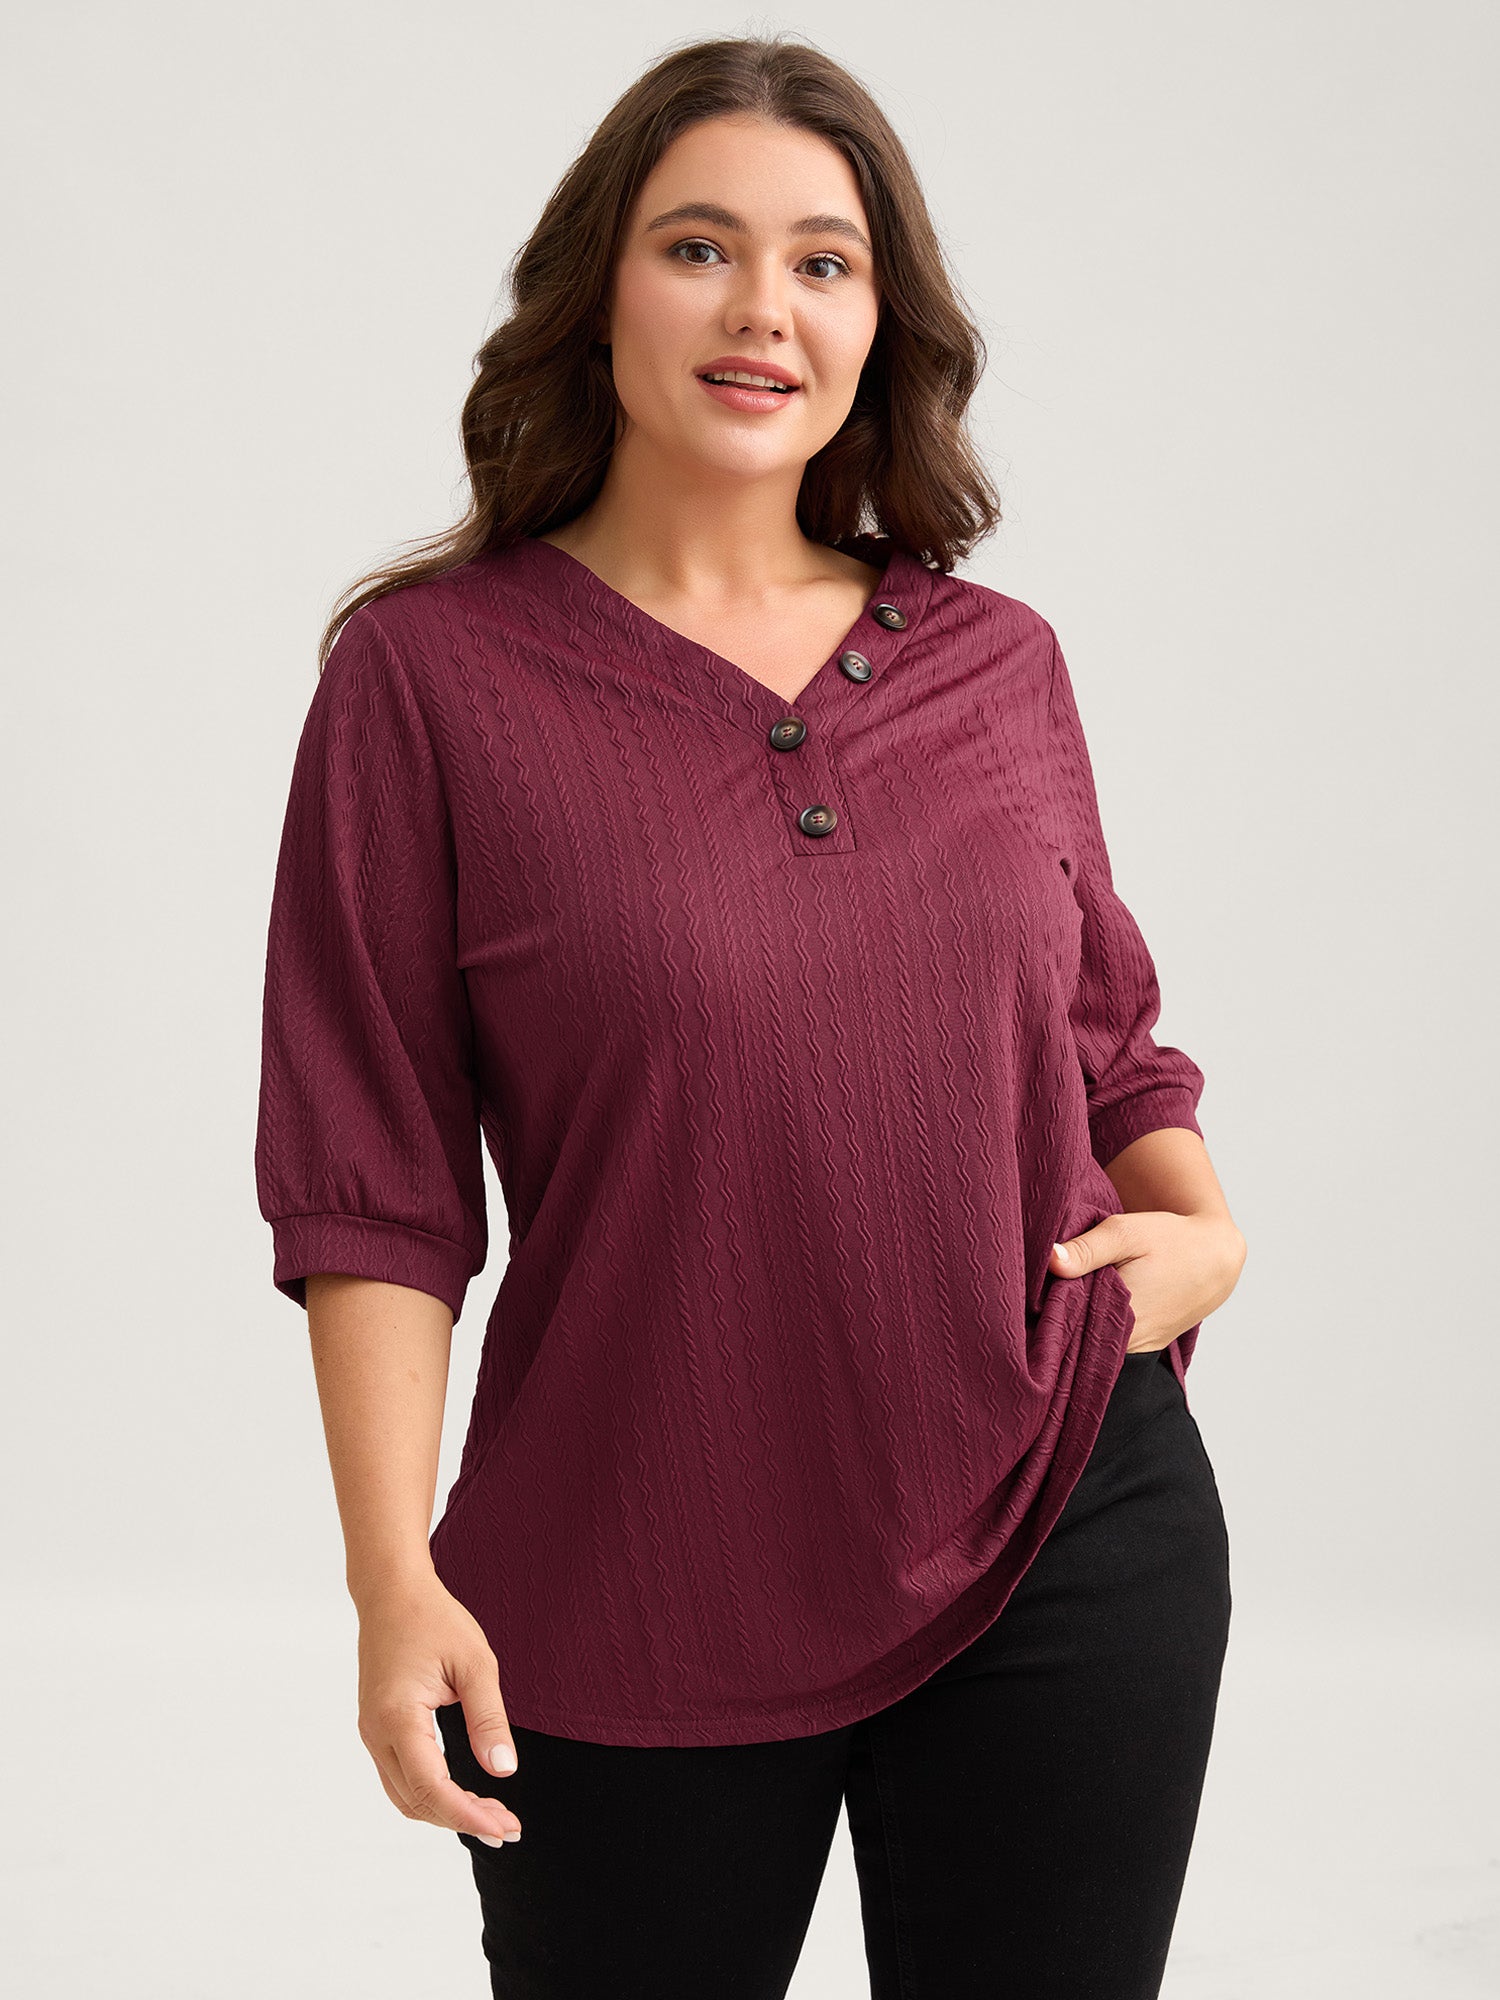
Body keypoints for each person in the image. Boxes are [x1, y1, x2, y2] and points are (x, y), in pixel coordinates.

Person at [254, 32, 1246, 2000]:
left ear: (881, 324)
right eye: (700, 246)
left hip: (1067, 1520)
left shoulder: (997, 661)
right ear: (597, 290)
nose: (763, 308)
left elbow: (1104, 1032)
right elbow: (373, 1178)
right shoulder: (426, 680)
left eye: (824, 262)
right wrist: (391, 1580)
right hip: (628, 1569)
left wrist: (1202, 1227)